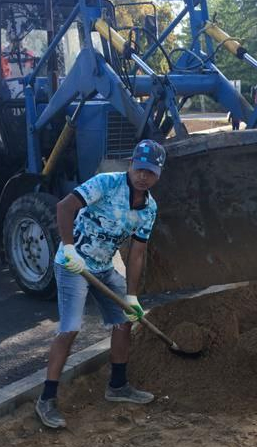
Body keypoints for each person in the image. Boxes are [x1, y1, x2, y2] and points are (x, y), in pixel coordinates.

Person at [35, 140, 166, 430]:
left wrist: (132, 296)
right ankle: (47, 399)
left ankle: (118, 386)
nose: (143, 176)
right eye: (139, 168)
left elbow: (137, 253)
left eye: (150, 172)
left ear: (158, 174)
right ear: (131, 165)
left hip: (103, 269)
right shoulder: (106, 184)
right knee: (70, 328)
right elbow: (64, 207)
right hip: (73, 265)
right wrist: (68, 248)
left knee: (125, 319)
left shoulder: (148, 209)